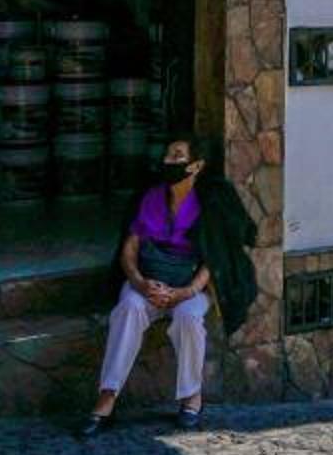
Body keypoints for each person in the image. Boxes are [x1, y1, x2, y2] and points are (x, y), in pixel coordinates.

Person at [81, 137, 259, 435]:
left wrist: (186, 292)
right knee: (128, 309)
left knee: (189, 318)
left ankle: (192, 395)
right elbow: (129, 249)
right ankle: (108, 396)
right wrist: (139, 282)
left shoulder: (208, 203)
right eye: (167, 154)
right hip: (149, 281)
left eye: (177, 156)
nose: (168, 161)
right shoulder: (150, 197)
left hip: (189, 284)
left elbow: (213, 261)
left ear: (196, 165)